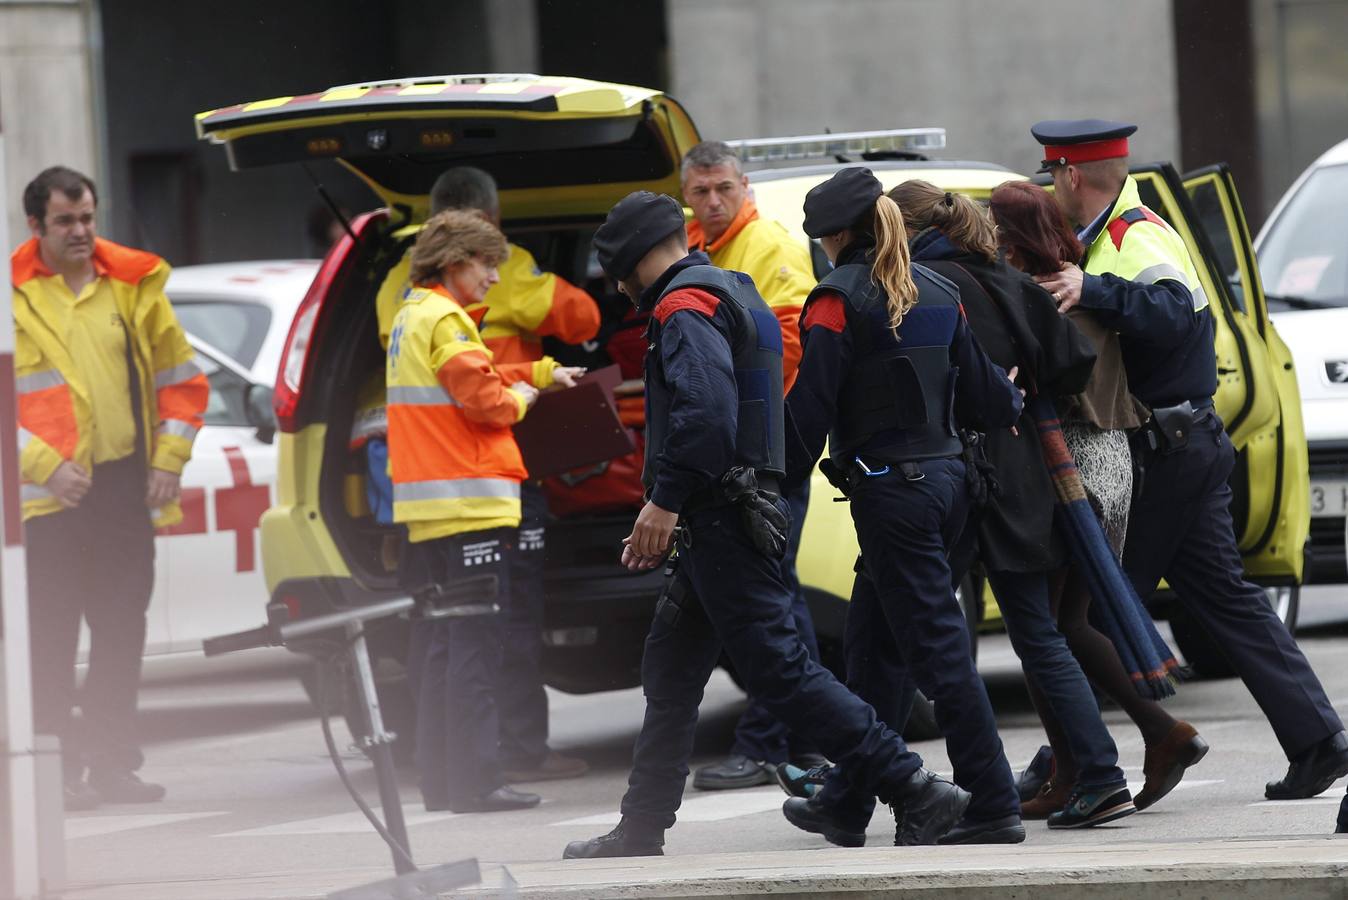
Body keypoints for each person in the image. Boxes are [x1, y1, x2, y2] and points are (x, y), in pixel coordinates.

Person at [562, 190, 972, 859]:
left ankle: (914, 787)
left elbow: (705, 417)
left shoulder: (682, 305)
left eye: (616, 271)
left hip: (718, 520)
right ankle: (640, 826)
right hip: (727, 519)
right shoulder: (733, 288)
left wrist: (662, 502)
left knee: (782, 674)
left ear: (632, 262)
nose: (618, 285)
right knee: (669, 677)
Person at [1030, 119, 1347, 801]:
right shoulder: (1112, 234)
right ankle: (1320, 741)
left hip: (1166, 453)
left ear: (1071, 176)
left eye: (1051, 174)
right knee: (1222, 602)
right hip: (1180, 446)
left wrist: (1093, 291)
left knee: (1084, 613)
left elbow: (1174, 313)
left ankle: (1076, 760)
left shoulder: (1131, 236)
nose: (1050, 186)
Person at [776, 168, 1025, 847]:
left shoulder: (835, 301)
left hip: (893, 496)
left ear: (832, 237)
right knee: (874, 651)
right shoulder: (939, 289)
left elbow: (811, 408)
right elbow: (985, 396)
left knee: (940, 657)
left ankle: (992, 804)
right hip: (945, 488)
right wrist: (1013, 398)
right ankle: (848, 802)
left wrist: (775, 486)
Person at [889, 178, 1136, 828]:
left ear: (905, 229)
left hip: (974, 472)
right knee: (1034, 630)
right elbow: (1073, 360)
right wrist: (1022, 395)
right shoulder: (1004, 278)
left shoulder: (927, 284)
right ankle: (1089, 772)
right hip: (1027, 470)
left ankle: (1102, 773)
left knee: (1020, 632)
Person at [376, 167, 600, 783]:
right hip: (471, 500)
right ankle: (484, 773)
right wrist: (530, 393)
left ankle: (442, 773)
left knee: (438, 641)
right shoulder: (447, 320)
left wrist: (538, 370)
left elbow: (463, 380)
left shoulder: (406, 308)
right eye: (485, 266)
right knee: (482, 637)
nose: (495, 278)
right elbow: (489, 399)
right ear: (458, 258)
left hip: (426, 505)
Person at [989, 180, 1207, 814]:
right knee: (1066, 623)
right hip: (1111, 464)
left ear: (1012, 240)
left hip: (1071, 469)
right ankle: (1144, 741)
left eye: (995, 233)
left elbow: (1028, 387)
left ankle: (1106, 763)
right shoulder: (1078, 279)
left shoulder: (1045, 298)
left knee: (1047, 630)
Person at [12, 166, 208, 810]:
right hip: (49, 501)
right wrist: (44, 465)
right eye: (65, 220)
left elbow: (182, 380)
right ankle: (56, 770)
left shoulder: (132, 286)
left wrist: (169, 460)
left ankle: (112, 765)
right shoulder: (12, 299)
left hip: (123, 488)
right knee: (51, 638)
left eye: (88, 217)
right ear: (35, 225)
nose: (81, 231)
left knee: (122, 630)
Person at [680, 140, 826, 791]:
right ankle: (806, 736)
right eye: (701, 191)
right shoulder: (697, 249)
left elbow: (790, 346)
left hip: (767, 454)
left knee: (769, 599)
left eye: (723, 190)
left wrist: (742, 438)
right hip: (747, 455)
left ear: (744, 187)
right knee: (777, 597)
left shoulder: (767, 244)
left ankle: (771, 740)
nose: (713, 201)